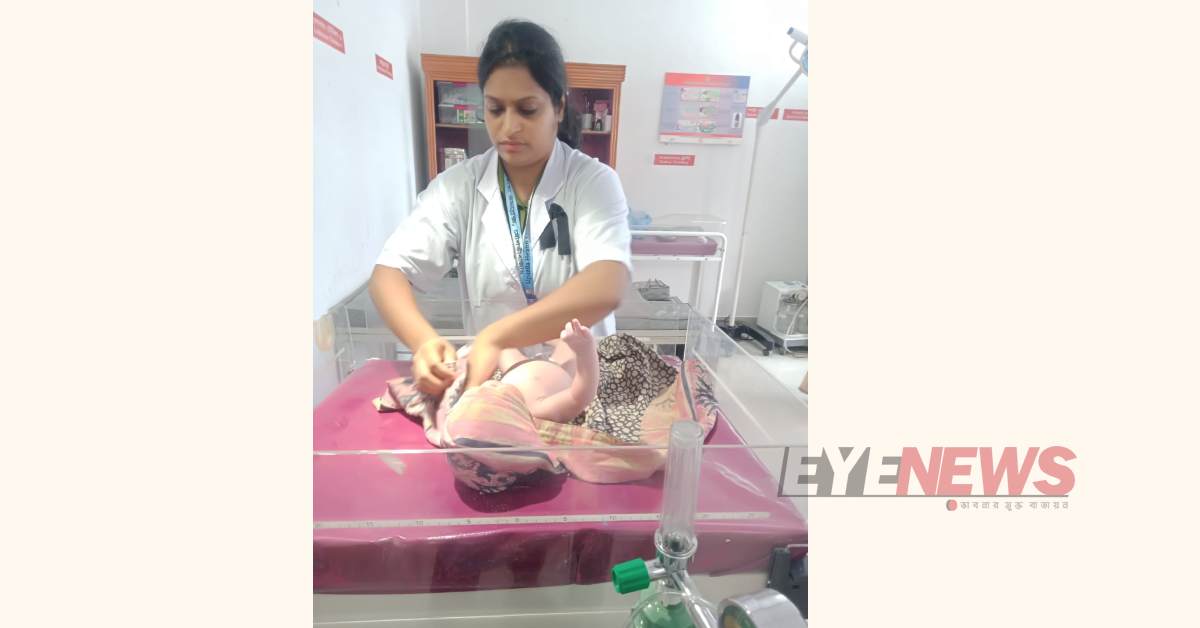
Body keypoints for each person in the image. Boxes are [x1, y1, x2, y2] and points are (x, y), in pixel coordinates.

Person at [370, 19, 632, 396]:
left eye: (527, 110)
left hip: (579, 388)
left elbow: (606, 285)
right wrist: (424, 342)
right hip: (495, 384)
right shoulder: (459, 186)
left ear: (558, 106)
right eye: (495, 109)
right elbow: (388, 274)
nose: (509, 127)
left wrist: (496, 336)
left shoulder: (592, 183)